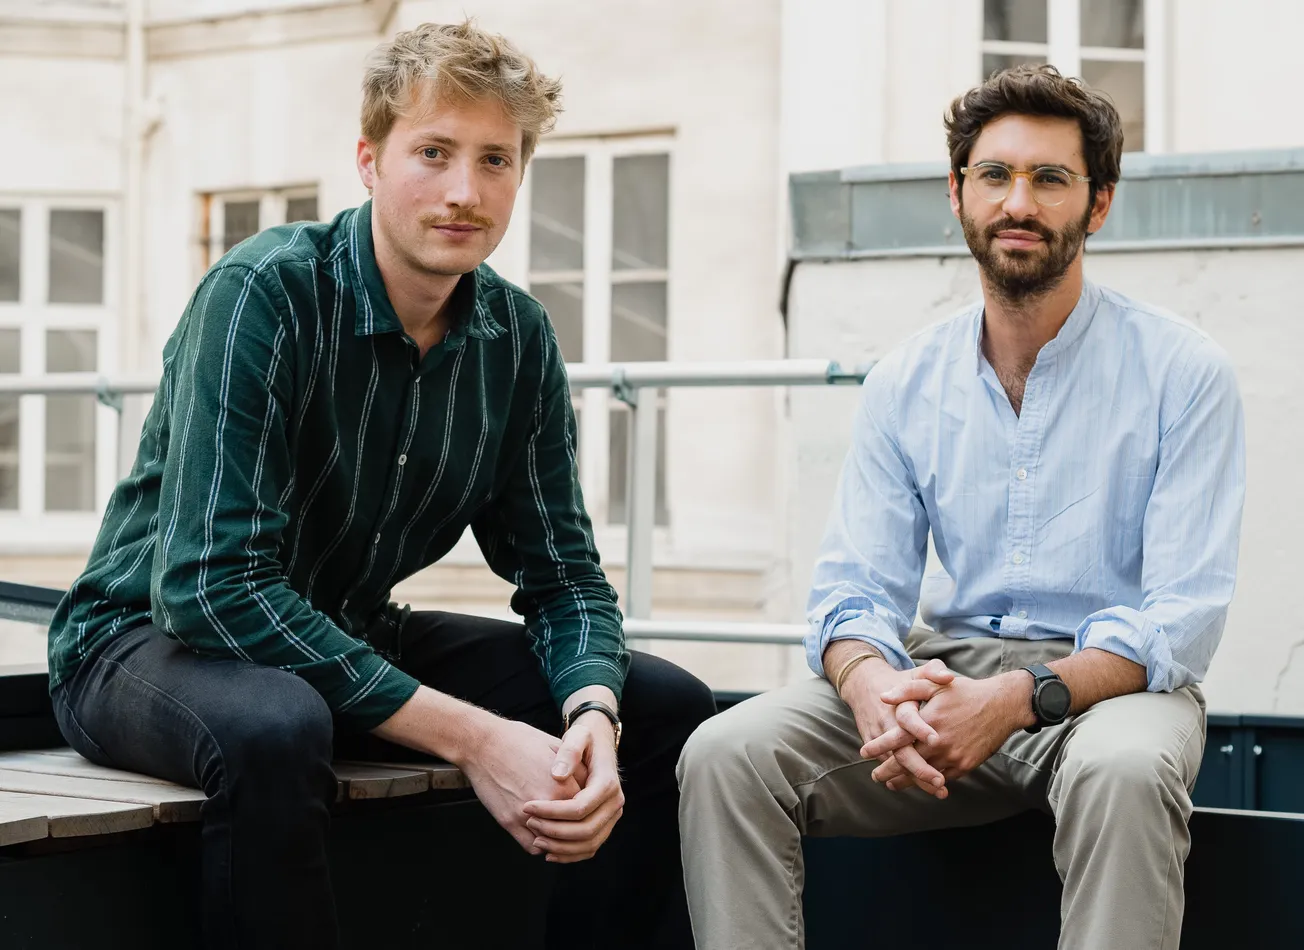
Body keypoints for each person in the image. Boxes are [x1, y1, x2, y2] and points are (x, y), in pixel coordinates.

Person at [46, 20, 714, 949]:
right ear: (368, 160)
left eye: (495, 160)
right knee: (279, 725)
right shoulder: (263, 293)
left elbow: (563, 577)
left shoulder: (515, 339)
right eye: (432, 152)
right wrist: (478, 739)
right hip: (142, 639)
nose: (463, 192)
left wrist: (589, 706)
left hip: (344, 632)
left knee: (661, 703)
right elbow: (208, 583)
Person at [677, 64, 1245, 950]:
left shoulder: (1183, 371)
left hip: (1110, 687)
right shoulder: (906, 378)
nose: (1019, 201)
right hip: (946, 674)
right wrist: (872, 688)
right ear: (958, 193)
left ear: (1097, 205)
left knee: (1128, 773)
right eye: (995, 175)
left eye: (1050, 178)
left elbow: (1180, 621)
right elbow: (852, 590)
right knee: (725, 756)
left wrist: (1017, 699)